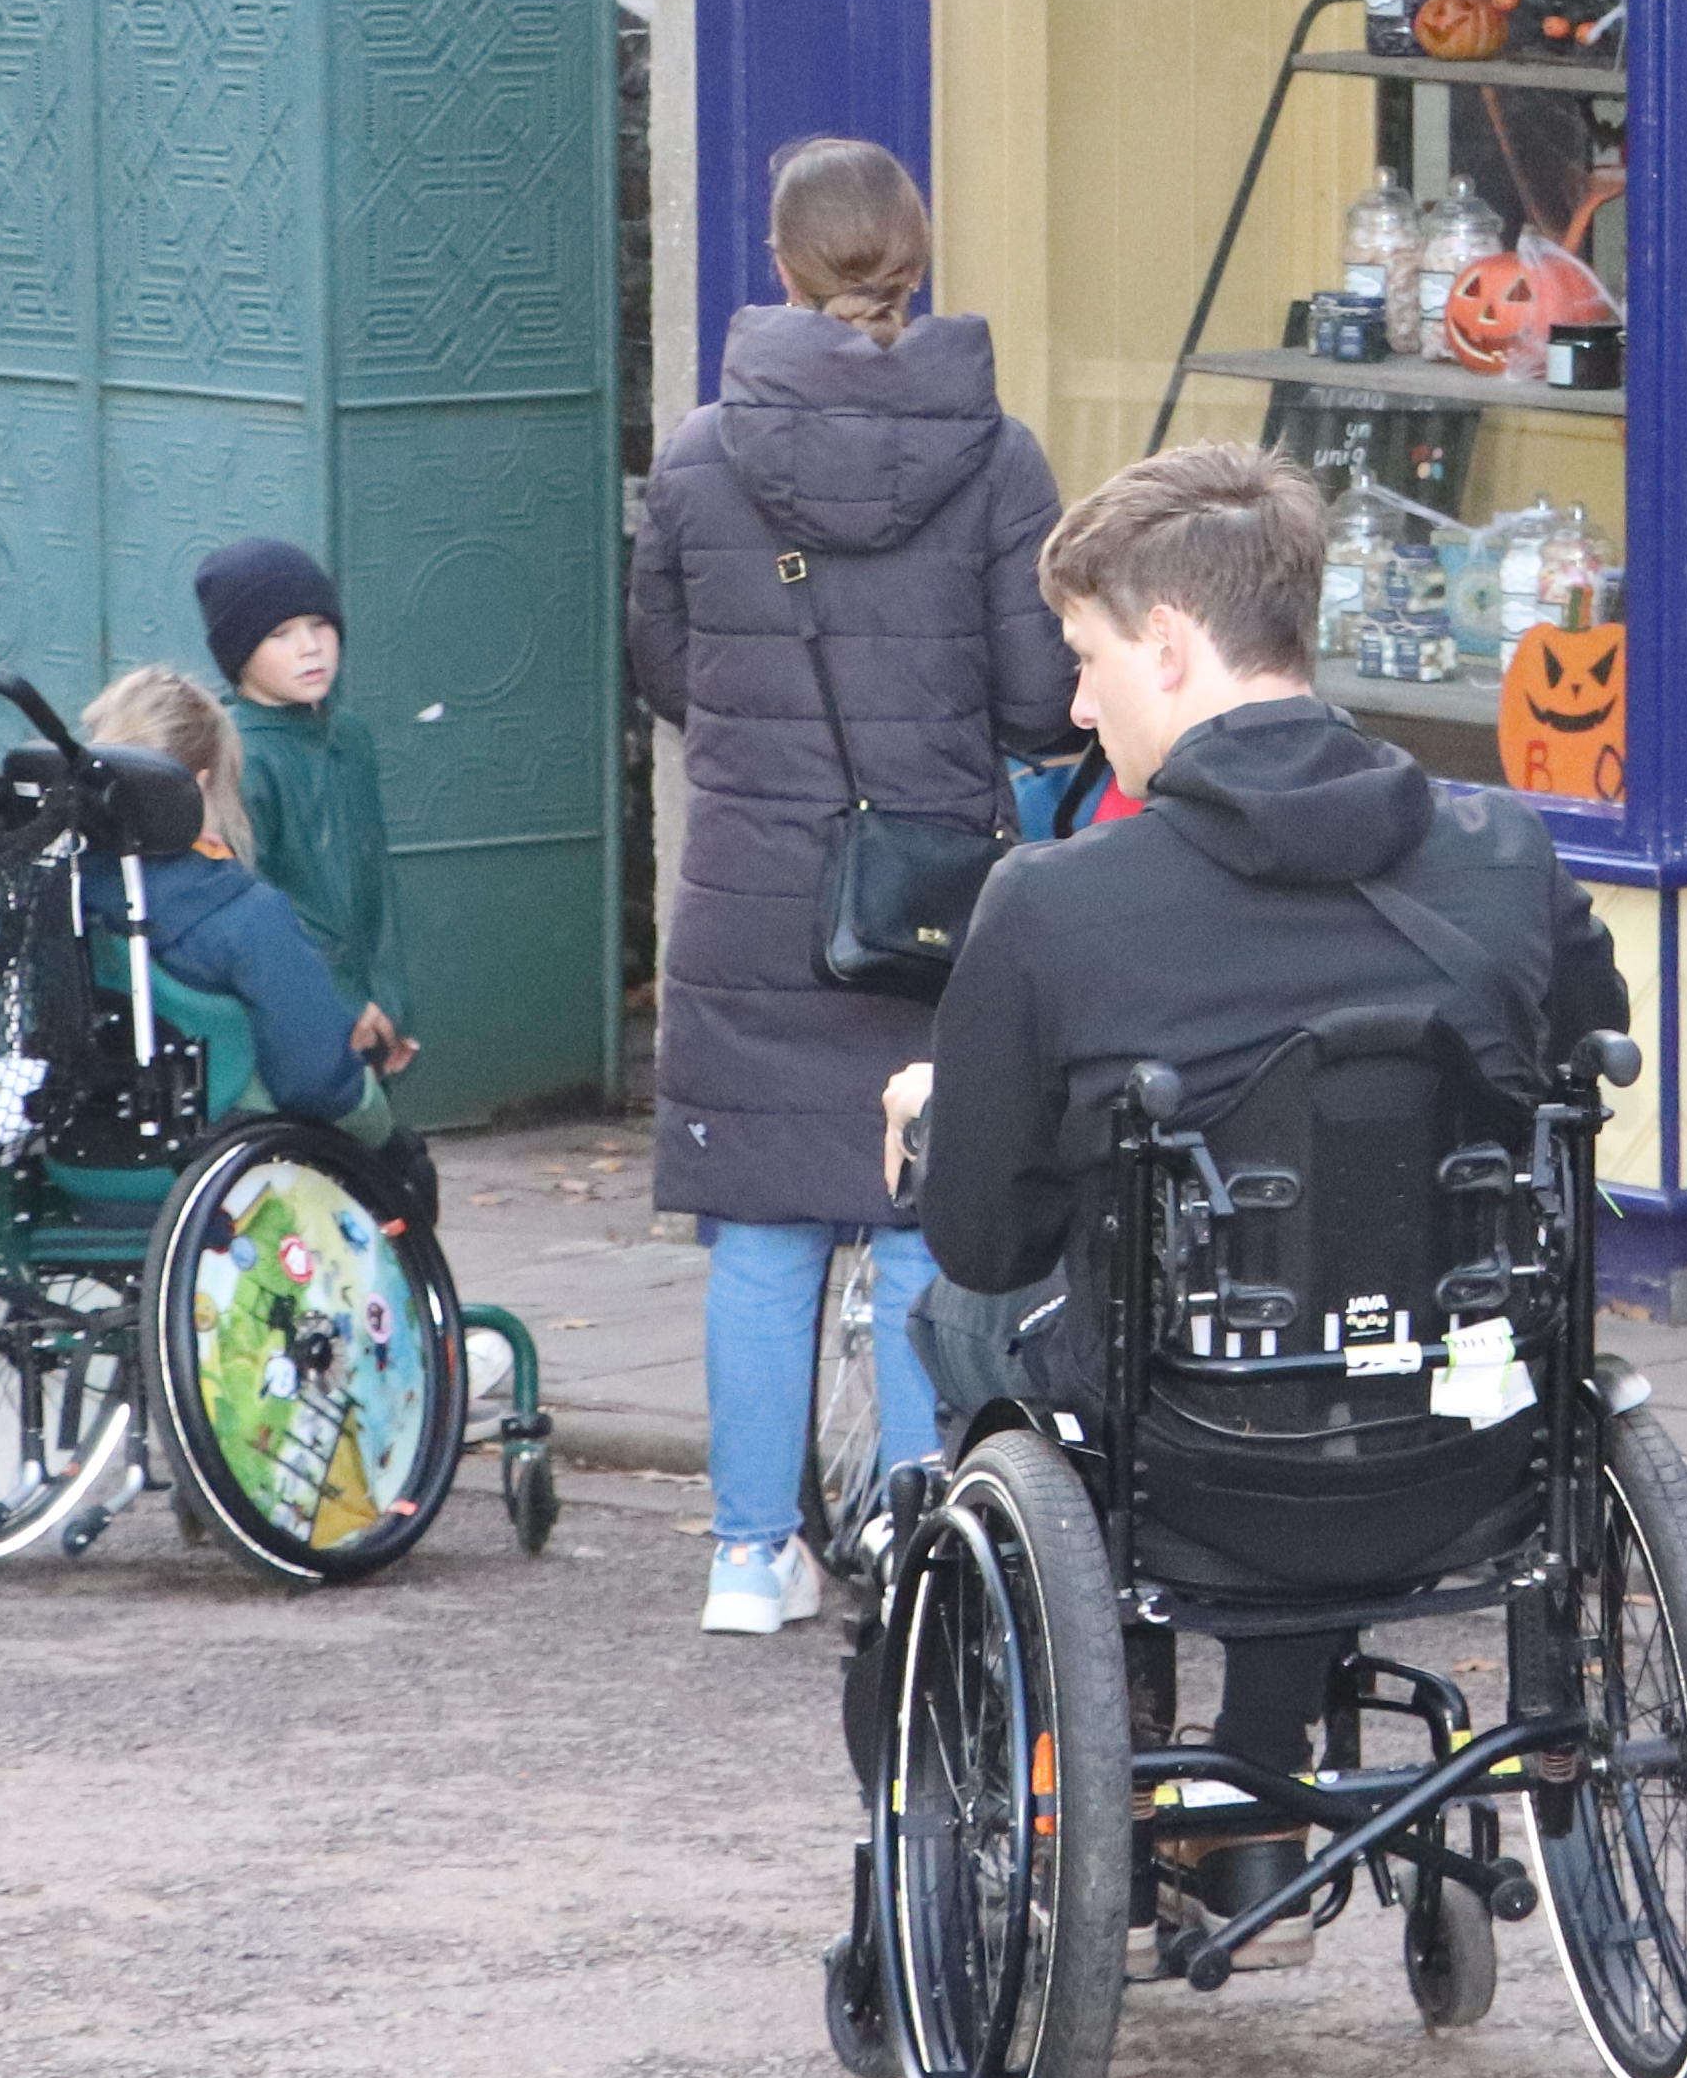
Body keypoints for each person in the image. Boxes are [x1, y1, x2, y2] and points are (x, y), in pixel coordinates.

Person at [892, 438, 1628, 1891]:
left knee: (967, 1315)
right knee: (1316, 1302)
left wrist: (945, 1115)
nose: (1075, 700)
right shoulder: (1501, 855)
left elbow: (985, 1235)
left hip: (1195, 1465)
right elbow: (1579, 1060)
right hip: (1474, 1430)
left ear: (1167, 645)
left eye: (1087, 655)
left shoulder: (1053, 908)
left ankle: (1105, 1725)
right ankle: (1269, 1765)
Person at [628, 136, 1079, 1639]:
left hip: (753, 883)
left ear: (781, 263)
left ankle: (749, 1558)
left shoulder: (699, 454)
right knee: (910, 1228)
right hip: (932, 895)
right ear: (915, 253)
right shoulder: (998, 456)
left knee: (758, 1236)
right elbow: (1037, 695)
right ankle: (912, 1540)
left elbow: (665, 666)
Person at [73, 664, 438, 1217]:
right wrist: (384, 1133)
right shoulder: (245, 917)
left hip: (84, 1168)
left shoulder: (65, 896)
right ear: (197, 787)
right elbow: (317, 1081)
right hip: (230, 1186)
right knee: (398, 1167)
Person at [196, 535, 411, 1088]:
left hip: (370, 1012)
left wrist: (386, 996)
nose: (310, 647)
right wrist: (337, 1001)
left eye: (320, 625)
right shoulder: (238, 755)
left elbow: (373, 883)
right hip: (291, 1016)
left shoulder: (351, 737)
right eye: (279, 634)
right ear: (239, 652)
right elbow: (252, 905)